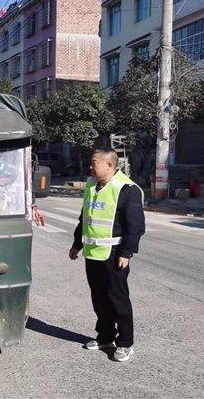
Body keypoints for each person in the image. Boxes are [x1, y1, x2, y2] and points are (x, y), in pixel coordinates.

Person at [69, 148, 145, 362]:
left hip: (114, 255)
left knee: (117, 300)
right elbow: (85, 217)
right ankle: (105, 336)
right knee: (99, 298)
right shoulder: (92, 185)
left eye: (94, 163)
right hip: (93, 254)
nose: (91, 166)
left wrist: (127, 252)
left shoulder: (127, 189)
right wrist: (77, 244)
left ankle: (125, 343)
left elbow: (135, 226)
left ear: (109, 165)